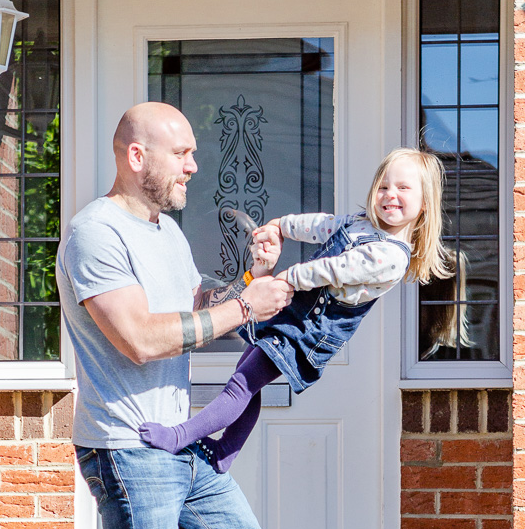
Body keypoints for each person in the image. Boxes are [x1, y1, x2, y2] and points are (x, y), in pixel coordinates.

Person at [56, 101, 293, 529]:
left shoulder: (162, 230)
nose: (194, 164)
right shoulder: (93, 233)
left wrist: (247, 284)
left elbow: (194, 304)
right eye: (181, 152)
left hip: (176, 440)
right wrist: (245, 311)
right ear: (137, 155)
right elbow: (140, 338)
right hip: (126, 448)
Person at [140, 148, 452, 472]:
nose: (390, 195)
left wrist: (289, 278)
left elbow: (337, 269)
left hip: (308, 332)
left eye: (404, 188)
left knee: (241, 385)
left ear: (425, 202)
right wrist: (282, 226)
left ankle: (179, 436)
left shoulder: (391, 257)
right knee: (246, 379)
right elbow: (321, 225)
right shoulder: (361, 223)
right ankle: (225, 452)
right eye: (384, 186)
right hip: (294, 314)